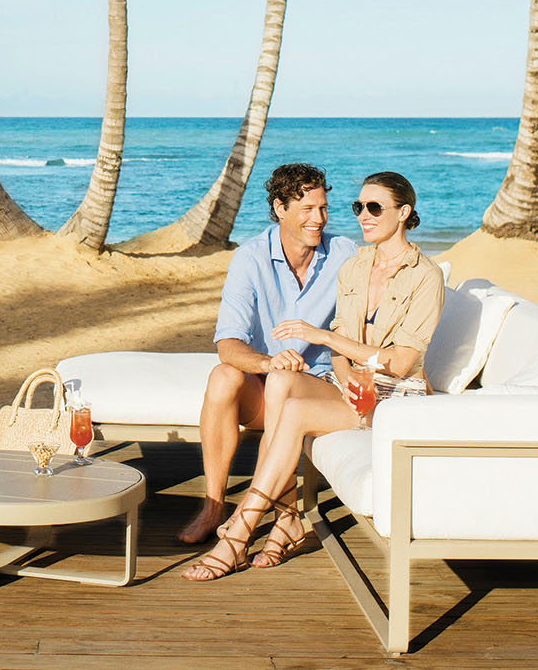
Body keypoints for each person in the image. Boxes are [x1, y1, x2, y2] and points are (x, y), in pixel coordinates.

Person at [184, 171, 446, 580]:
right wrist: (345, 376)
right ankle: (274, 517)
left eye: (373, 207)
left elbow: (398, 361)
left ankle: (240, 531)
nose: (360, 215)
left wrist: (322, 339)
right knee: (275, 382)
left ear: (404, 212)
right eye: (358, 207)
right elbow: (340, 338)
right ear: (280, 210)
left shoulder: (422, 274)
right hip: (341, 388)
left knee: (291, 409)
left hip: (397, 397)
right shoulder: (356, 266)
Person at [176, 162, 356, 546]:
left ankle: (284, 513)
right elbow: (227, 344)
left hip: (319, 385)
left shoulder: (344, 253)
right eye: (307, 209)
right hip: (267, 384)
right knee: (223, 376)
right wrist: (267, 362)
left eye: (323, 208)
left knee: (284, 381)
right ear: (280, 209)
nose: (318, 219)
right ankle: (213, 506)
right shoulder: (250, 257)